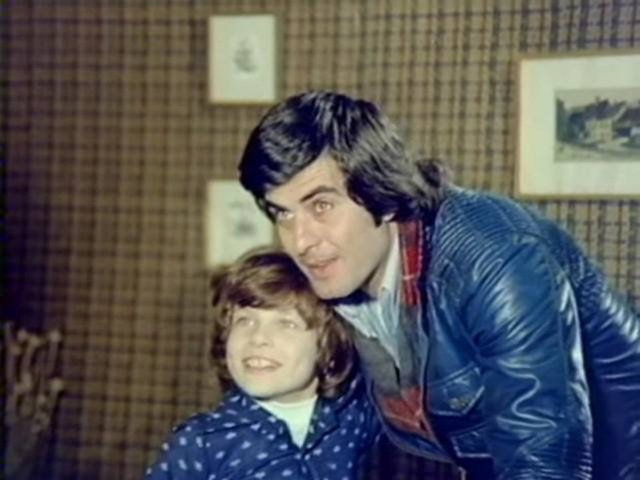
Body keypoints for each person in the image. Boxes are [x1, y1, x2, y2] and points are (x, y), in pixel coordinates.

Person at [238, 90, 640, 479]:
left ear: (382, 194)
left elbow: (542, 456)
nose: (301, 241)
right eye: (283, 213)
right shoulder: (337, 278)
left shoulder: (492, 257)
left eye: (321, 205)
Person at [145, 247, 379, 480]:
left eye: (286, 324)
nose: (258, 338)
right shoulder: (201, 441)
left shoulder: (359, 418)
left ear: (330, 342)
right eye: (245, 321)